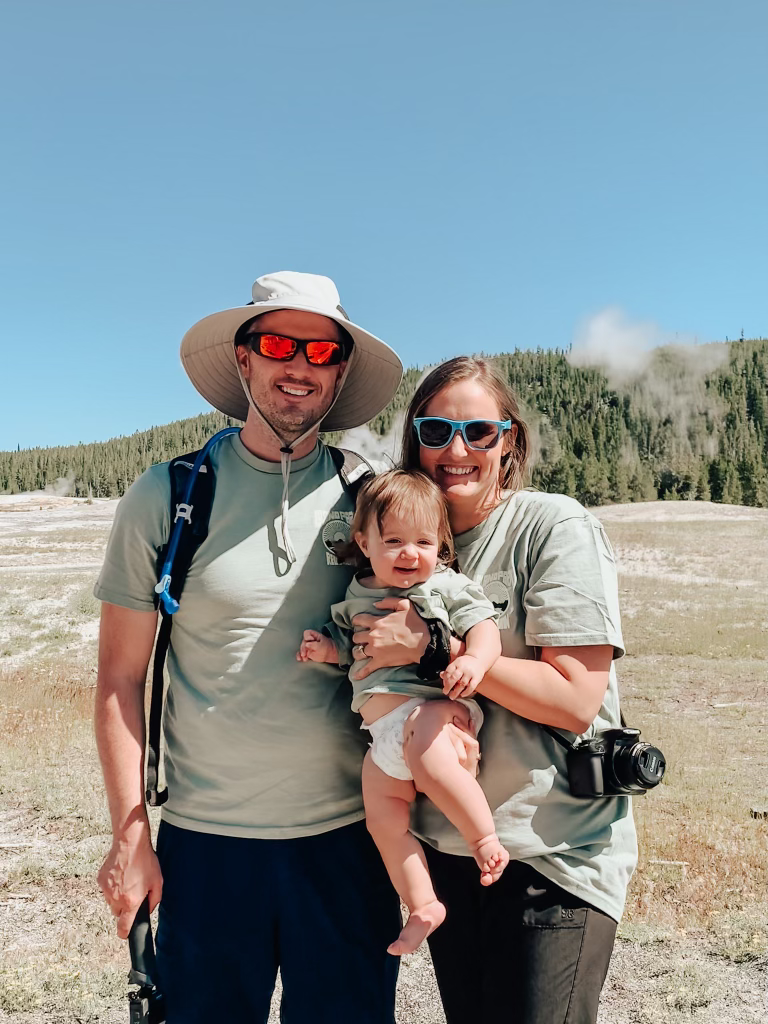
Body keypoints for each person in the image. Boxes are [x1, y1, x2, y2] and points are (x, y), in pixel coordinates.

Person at [93, 271, 412, 1024]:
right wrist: (130, 834)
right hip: (205, 849)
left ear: (340, 371)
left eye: (320, 350)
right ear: (244, 360)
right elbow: (119, 679)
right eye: (276, 343)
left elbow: (430, 618)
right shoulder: (169, 497)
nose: (297, 365)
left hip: (348, 840)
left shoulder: (371, 499)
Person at [349, 356, 637, 1024]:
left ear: (510, 440)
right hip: (448, 853)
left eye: (479, 432)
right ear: (412, 439)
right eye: (436, 429)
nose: (456, 450)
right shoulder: (405, 544)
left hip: (552, 860)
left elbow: (574, 699)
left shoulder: (552, 527)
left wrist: (433, 646)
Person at [297, 469, 504, 956]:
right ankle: (423, 903)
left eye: (423, 541)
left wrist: (473, 659)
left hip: (435, 708)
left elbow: (484, 626)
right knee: (383, 819)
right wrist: (328, 648)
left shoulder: (445, 586)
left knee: (431, 761)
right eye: (393, 540)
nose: (410, 553)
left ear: (441, 546)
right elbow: (354, 646)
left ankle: (484, 838)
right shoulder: (355, 594)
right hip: (383, 732)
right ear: (364, 542)